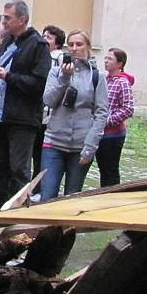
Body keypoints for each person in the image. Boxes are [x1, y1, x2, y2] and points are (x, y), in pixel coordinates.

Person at [0, 0, 51, 210]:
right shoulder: (6, 42)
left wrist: (8, 77)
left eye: (8, 18)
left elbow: (39, 84)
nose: (3, 22)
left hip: (22, 119)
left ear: (22, 19)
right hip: (0, 115)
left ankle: (16, 216)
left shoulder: (38, 46)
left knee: (18, 170)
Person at [41, 29, 108, 200]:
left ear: (88, 47)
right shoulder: (56, 72)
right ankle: (45, 227)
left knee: (72, 198)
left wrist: (91, 146)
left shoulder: (97, 76)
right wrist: (64, 79)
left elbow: (101, 113)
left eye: (79, 44)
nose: (74, 48)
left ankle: (66, 228)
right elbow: (48, 100)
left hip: (80, 145)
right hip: (54, 142)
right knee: (47, 196)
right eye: (70, 45)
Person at [32, 24, 66, 199]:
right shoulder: (41, 55)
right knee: (36, 153)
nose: (44, 39)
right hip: (38, 112)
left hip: (49, 114)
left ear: (57, 43)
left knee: (41, 155)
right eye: (43, 36)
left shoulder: (58, 58)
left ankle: (39, 189)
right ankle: (34, 187)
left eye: (49, 37)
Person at [96, 48, 135, 187]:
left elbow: (128, 108)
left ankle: (111, 196)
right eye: (105, 58)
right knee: (102, 168)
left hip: (113, 134)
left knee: (110, 169)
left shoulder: (122, 82)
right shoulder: (104, 79)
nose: (106, 61)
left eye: (110, 59)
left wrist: (107, 121)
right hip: (100, 133)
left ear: (120, 64)